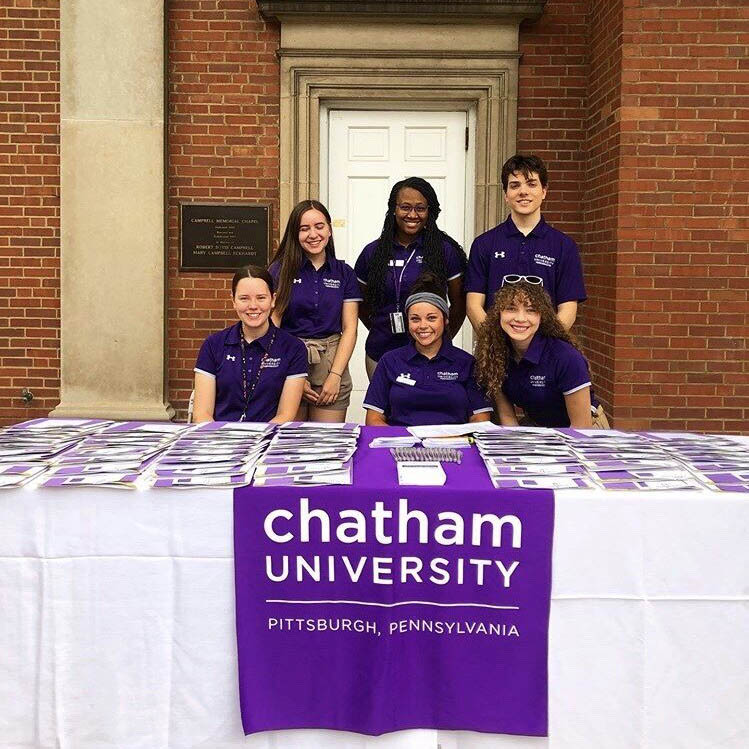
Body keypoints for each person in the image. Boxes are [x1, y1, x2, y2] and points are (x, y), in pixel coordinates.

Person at [355, 177, 467, 379]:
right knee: (383, 410)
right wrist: (380, 326)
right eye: (405, 207)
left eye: (420, 208)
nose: (412, 215)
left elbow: (459, 304)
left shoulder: (444, 251)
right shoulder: (373, 252)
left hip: (431, 354)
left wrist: (441, 336)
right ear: (394, 209)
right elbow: (360, 304)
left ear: (429, 211)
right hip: (381, 351)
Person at [465, 154, 586, 333]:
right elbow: (473, 306)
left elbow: (568, 309)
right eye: (515, 185)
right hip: (496, 353)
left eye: (531, 184)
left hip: (545, 354)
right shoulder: (484, 244)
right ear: (506, 194)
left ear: (544, 191)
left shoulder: (564, 246)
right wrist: (496, 343)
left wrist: (542, 346)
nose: (523, 191)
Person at [268, 200, 361, 422]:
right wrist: (290, 375)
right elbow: (273, 324)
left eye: (319, 226)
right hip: (289, 359)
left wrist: (335, 376)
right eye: (304, 228)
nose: (313, 234)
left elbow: (350, 328)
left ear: (329, 229)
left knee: (326, 443)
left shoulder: (344, 273)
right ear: (295, 234)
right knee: (290, 444)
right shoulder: (279, 270)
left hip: (331, 362)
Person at [474, 278, 607, 429]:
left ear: (542, 317)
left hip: (583, 429)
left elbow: (581, 428)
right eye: (511, 308)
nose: (520, 318)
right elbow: (508, 418)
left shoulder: (565, 357)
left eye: (531, 310)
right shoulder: (495, 354)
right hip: (539, 428)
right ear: (499, 314)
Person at [363, 274, 493, 427]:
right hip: (402, 447)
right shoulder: (389, 361)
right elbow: (373, 420)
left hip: (454, 447)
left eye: (431, 318)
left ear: (445, 320)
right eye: (415, 319)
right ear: (408, 322)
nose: (423, 325)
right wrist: (404, 442)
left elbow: (481, 419)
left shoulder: (467, 363)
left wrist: (453, 440)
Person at [192, 265, 307, 423]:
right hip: (220, 440)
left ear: (273, 300)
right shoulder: (213, 345)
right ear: (233, 301)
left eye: (261, 298)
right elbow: (202, 414)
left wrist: (256, 443)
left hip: (268, 440)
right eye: (244, 298)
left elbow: (285, 415)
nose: (253, 306)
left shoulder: (294, 348)